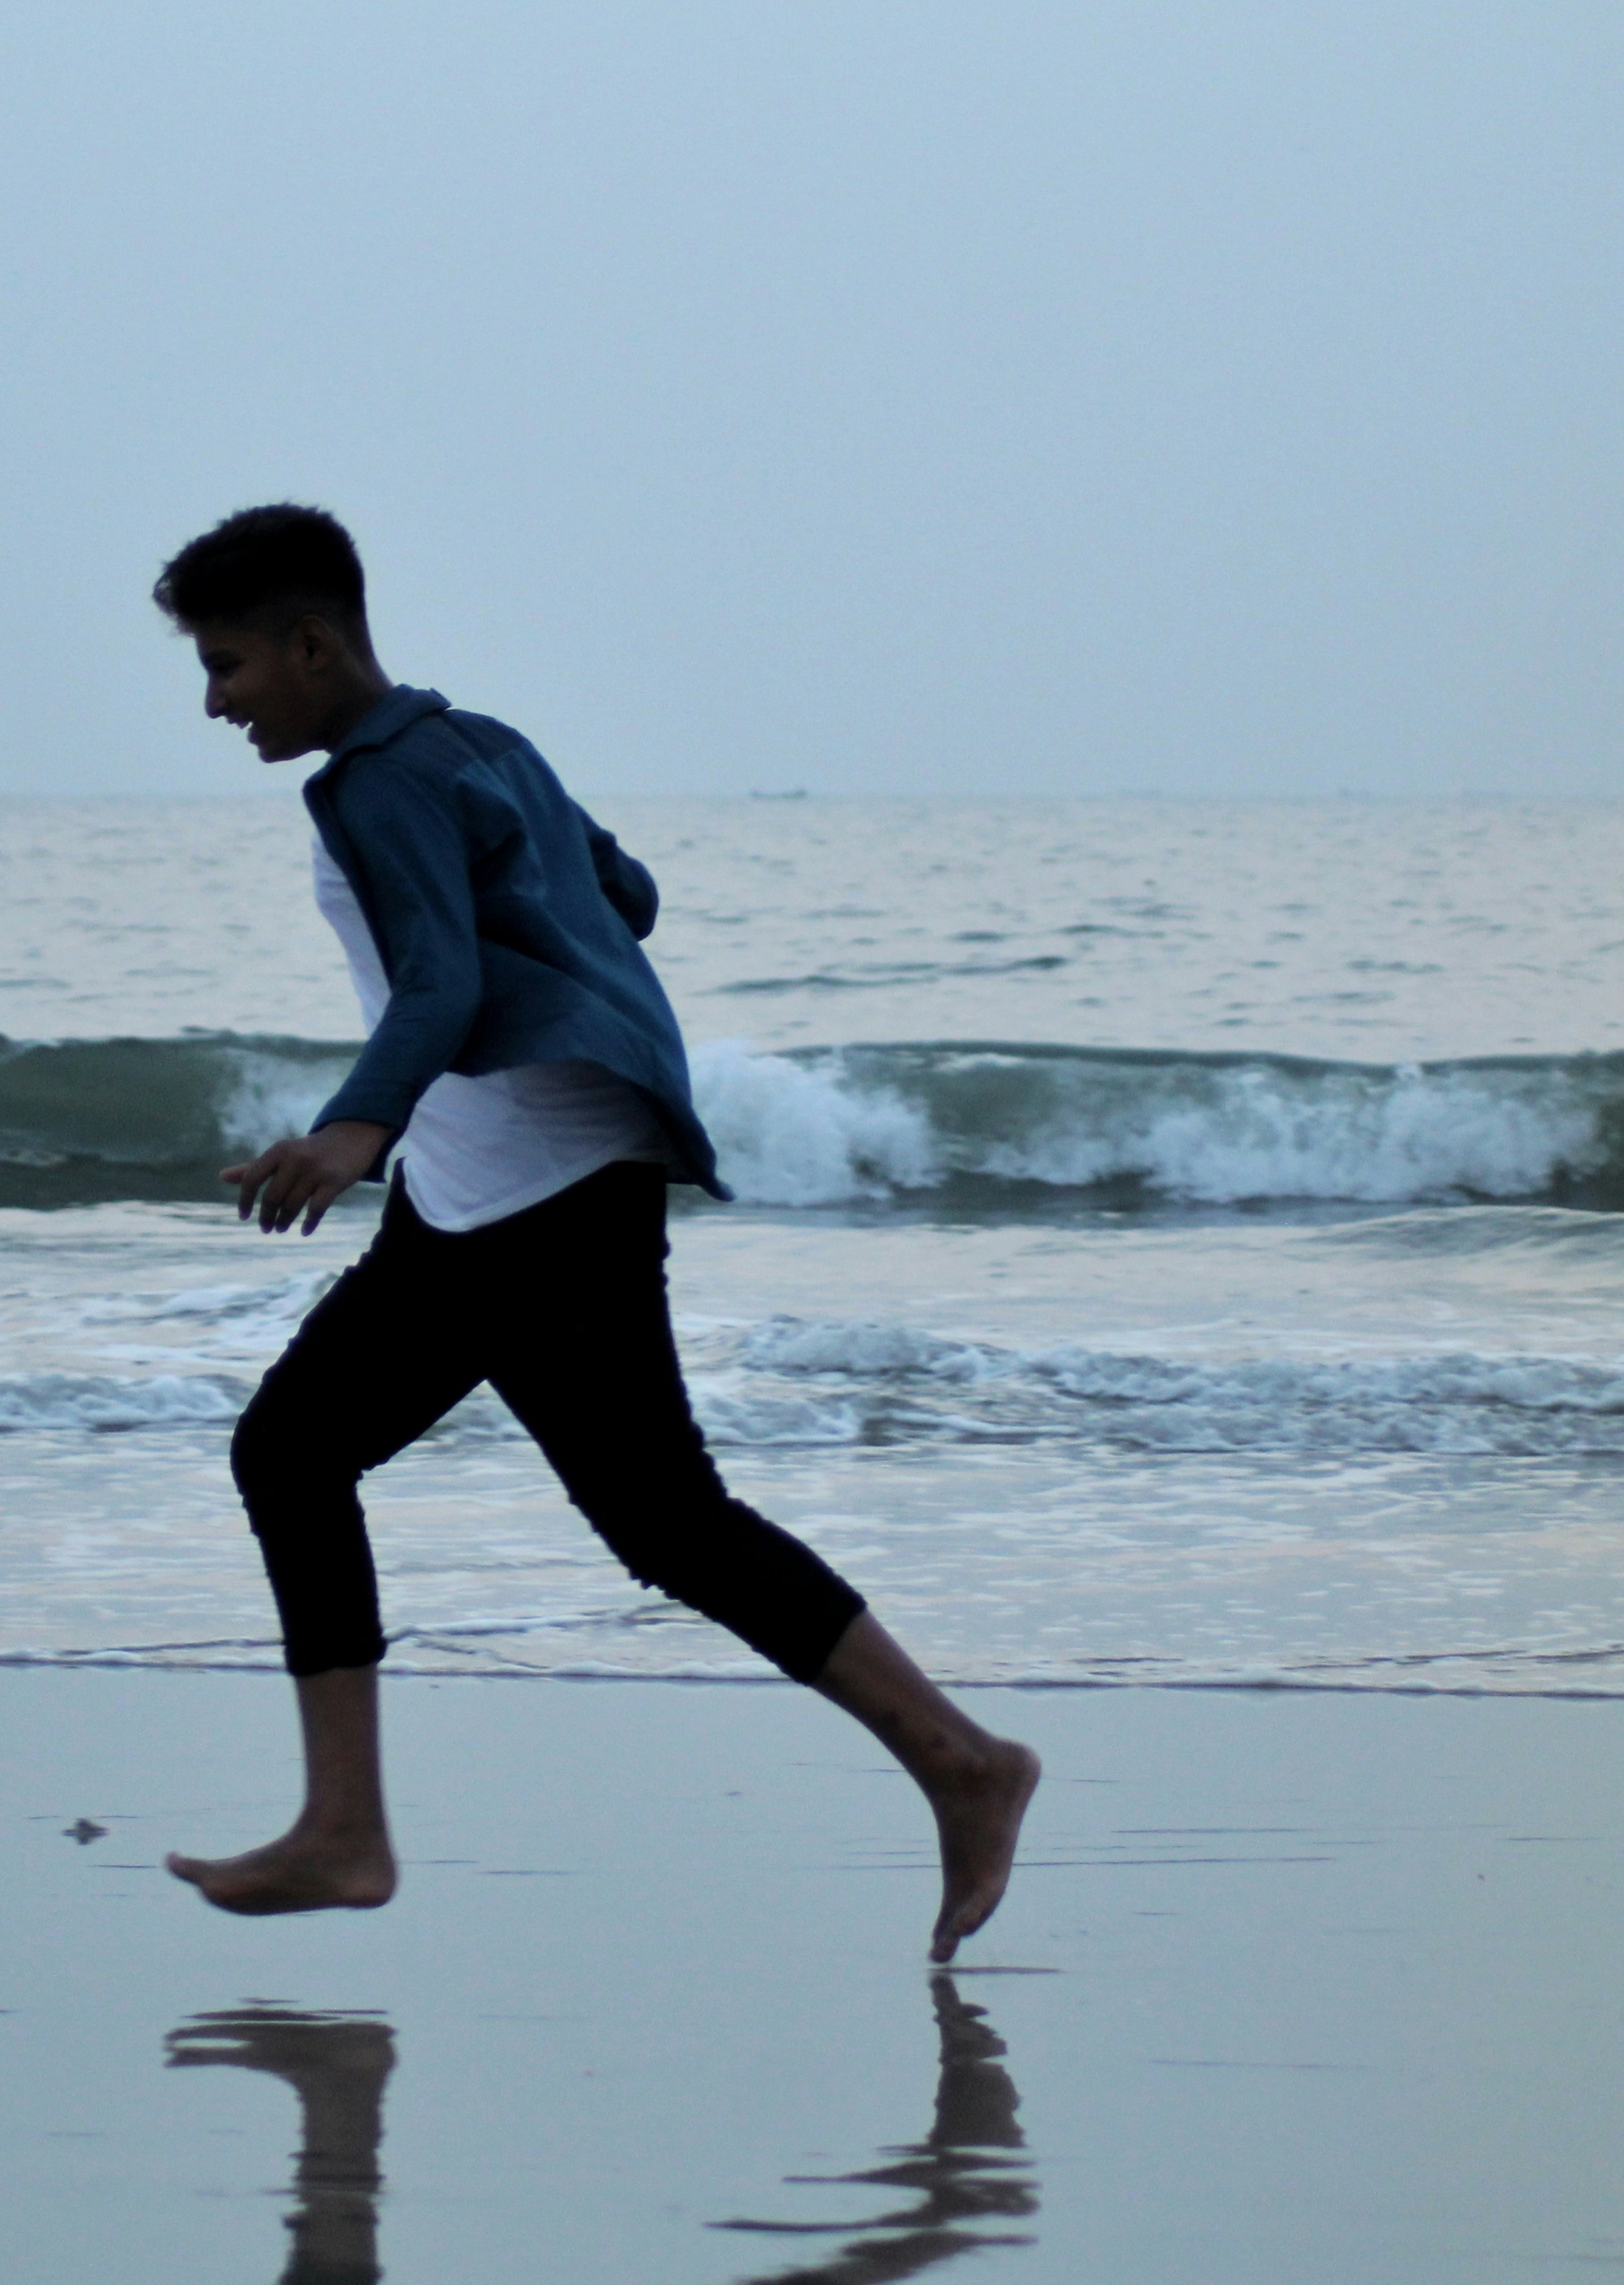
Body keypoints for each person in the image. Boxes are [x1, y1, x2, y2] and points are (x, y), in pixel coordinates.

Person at [152, 504, 1037, 1963]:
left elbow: (435, 985)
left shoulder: (370, 791)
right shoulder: (481, 741)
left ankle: (350, 1830)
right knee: (622, 1513)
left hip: (523, 1195)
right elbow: (623, 892)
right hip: (519, 1183)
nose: (215, 700)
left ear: (312, 644)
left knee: (344, 1463)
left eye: (230, 662)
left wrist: (349, 1129)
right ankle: (953, 1761)